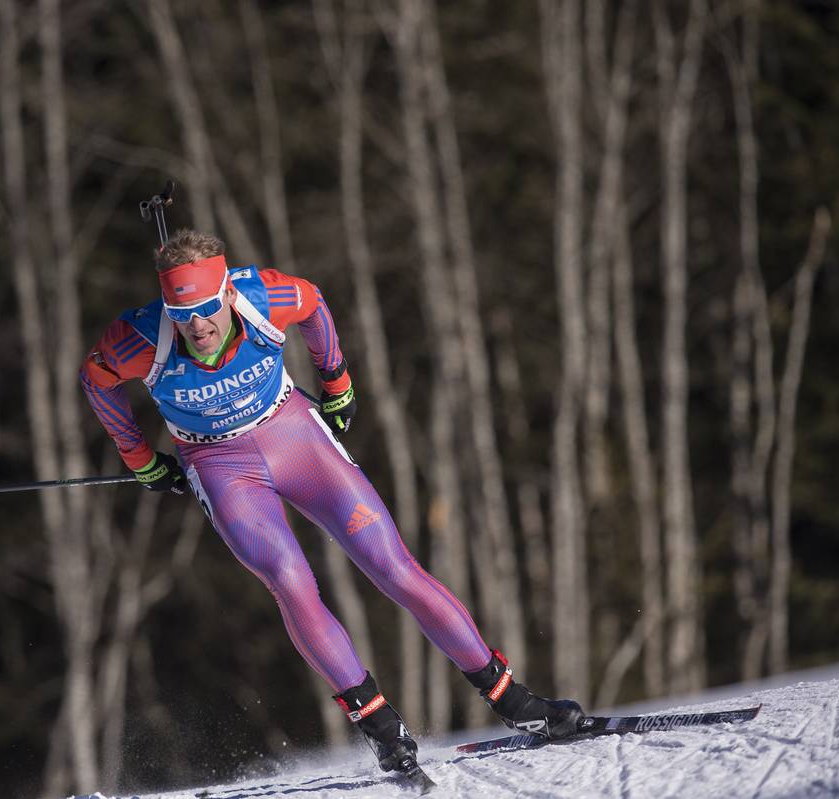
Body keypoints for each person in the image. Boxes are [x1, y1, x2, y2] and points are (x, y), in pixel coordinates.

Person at [79, 229, 583, 778]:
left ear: (225, 293)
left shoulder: (263, 296)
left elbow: (313, 301)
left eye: (205, 308)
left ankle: (514, 702)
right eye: (182, 314)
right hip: (220, 466)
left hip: (295, 437)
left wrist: (337, 382)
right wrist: (140, 459)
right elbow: (95, 377)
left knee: (393, 565)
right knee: (290, 580)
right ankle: (382, 728)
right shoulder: (138, 338)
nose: (197, 326)